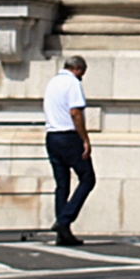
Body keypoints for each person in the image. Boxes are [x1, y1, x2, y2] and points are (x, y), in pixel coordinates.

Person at [42, 55, 94, 247]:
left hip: (52, 136)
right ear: (77, 68)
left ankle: (63, 233)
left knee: (62, 184)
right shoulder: (72, 84)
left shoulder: (52, 83)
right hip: (69, 137)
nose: (82, 78)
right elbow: (75, 113)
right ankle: (64, 221)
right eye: (82, 73)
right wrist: (85, 139)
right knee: (88, 178)